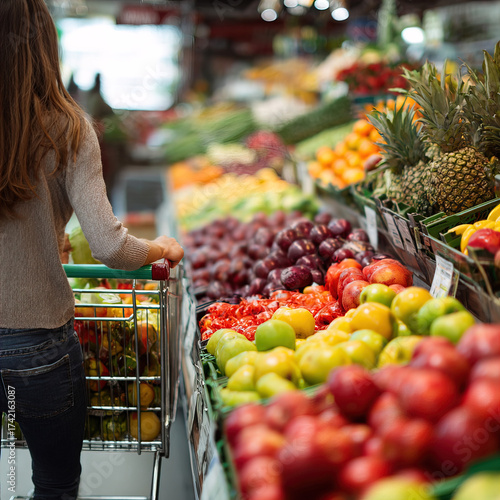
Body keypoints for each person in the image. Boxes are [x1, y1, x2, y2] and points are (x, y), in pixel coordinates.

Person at [0, 2, 184, 499]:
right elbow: (108, 245)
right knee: (55, 484)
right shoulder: (66, 125)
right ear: (45, 42)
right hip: (36, 342)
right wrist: (158, 247)